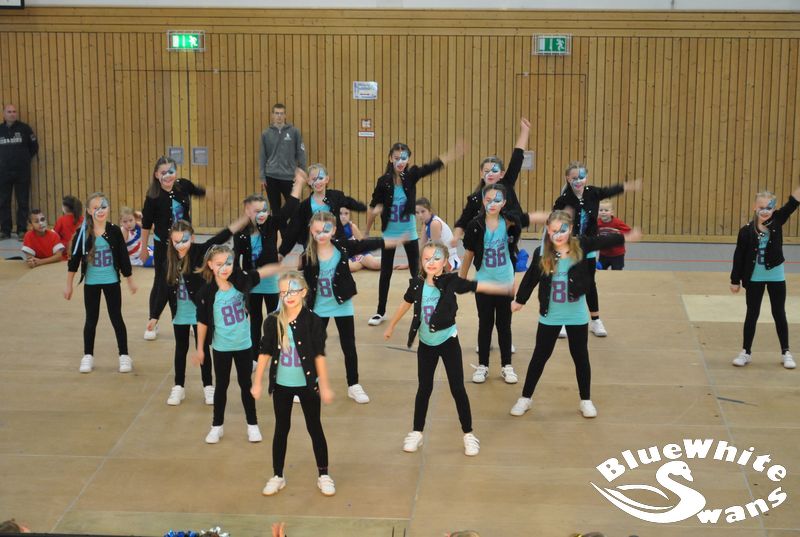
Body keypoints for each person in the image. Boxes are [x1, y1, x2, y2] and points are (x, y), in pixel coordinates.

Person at [384, 241, 512, 456]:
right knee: (424, 389)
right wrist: (392, 325)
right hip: (426, 345)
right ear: (421, 261)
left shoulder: (450, 282)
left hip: (448, 342)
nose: (431, 262)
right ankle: (416, 432)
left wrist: (502, 288)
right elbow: (405, 303)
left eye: (436, 258)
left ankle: (468, 434)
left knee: (457, 388)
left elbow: (474, 285)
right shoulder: (417, 284)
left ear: (445, 262)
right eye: (426, 258)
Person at [510, 210, 641, 419]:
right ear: (548, 230)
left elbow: (603, 240)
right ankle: (526, 398)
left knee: (580, 357)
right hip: (550, 315)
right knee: (539, 357)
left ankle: (585, 400)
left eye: (563, 230)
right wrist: (519, 300)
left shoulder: (581, 245)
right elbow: (531, 278)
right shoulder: (542, 252)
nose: (558, 235)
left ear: (570, 229)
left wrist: (626, 237)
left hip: (576, 315)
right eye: (554, 231)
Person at [302, 211, 403, 403]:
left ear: (333, 230)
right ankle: (311, 383)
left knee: (348, 345)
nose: (321, 234)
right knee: (315, 345)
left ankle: (353, 385)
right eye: (317, 231)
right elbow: (305, 284)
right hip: (319, 307)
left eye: (326, 230)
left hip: (342, 304)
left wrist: (386, 241)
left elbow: (364, 244)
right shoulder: (307, 256)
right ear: (311, 231)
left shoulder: (342, 247)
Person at [252, 272, 336, 497]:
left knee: (314, 427)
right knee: (281, 428)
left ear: (304, 292)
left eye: (293, 291)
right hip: (282, 384)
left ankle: (324, 474)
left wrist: (324, 385)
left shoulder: (313, 321)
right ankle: (277, 475)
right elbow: (264, 352)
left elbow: (319, 355)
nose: (288, 296)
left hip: (307, 385)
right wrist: (257, 381)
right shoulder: (273, 321)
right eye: (283, 292)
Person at [365, 140, 465, 326]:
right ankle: (380, 312)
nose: (400, 161)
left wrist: (452, 154)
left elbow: (431, 166)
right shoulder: (383, 182)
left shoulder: (411, 176)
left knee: (417, 272)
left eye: (404, 158)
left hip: (409, 234)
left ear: (408, 160)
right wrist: (366, 231)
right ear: (390, 159)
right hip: (390, 235)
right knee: (385, 273)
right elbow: (373, 206)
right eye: (397, 158)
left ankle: (422, 308)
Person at [193, 245, 283, 444]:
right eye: (219, 264)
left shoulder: (242, 282)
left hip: (243, 345)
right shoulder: (206, 292)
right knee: (221, 385)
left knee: (245, 384)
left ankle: (252, 424)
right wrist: (200, 348)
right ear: (210, 265)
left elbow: (261, 272)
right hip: (221, 347)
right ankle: (217, 426)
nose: (224, 268)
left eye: (228, 263)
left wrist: (280, 267)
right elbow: (202, 322)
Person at [461, 184, 547, 384]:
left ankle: (506, 365)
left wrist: (548, 217)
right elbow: (469, 254)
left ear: (504, 203)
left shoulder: (509, 222)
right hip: (483, 282)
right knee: (485, 324)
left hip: (505, 283)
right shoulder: (475, 225)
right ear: (483, 201)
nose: (492, 203)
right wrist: (461, 279)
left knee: (504, 325)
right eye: (488, 199)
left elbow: (528, 218)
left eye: (497, 200)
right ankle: (483, 365)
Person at [162, 214, 250, 406]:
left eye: (185, 240)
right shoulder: (169, 260)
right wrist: (154, 315)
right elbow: (162, 289)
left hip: (199, 313)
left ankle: (208, 386)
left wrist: (240, 222)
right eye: (176, 241)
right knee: (181, 348)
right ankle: (178, 386)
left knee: (203, 349)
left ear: (192, 238)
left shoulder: (199, 252)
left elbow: (219, 238)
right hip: (180, 313)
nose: (181, 245)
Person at [552, 162, 641, 337]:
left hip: (590, 245)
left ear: (586, 178)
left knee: (590, 282)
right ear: (568, 178)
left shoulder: (592, 193)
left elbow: (609, 191)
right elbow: (554, 222)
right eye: (574, 178)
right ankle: (562, 319)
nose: (578, 181)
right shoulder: (563, 200)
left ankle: (595, 320)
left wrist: (626, 186)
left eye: (582, 177)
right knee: (566, 281)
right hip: (569, 246)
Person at [233, 173, 303, 366]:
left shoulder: (272, 224)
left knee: (274, 318)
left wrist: (298, 184)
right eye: (257, 211)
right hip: (252, 283)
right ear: (248, 212)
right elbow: (236, 260)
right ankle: (254, 357)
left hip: (271, 282)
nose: (262, 214)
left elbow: (290, 208)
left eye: (264, 209)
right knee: (255, 321)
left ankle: (276, 351)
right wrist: (239, 287)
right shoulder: (241, 233)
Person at [64, 193, 137, 374]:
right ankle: (88, 355)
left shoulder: (114, 231)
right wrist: (69, 284)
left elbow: (123, 258)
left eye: (103, 206)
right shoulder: (83, 233)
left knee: (116, 318)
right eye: (96, 208)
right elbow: (74, 261)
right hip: (92, 283)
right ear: (89, 211)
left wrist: (130, 281)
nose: (100, 211)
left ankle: (124, 355)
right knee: (91, 319)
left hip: (112, 282)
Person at [730, 187, 800, 369]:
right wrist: (735, 280)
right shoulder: (746, 231)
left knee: (779, 313)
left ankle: (786, 352)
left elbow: (792, 204)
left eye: (769, 207)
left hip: (776, 276)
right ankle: (746, 352)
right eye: (761, 207)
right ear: (755, 207)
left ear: (774, 209)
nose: (765, 211)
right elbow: (739, 256)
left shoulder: (777, 221)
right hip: (754, 278)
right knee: (752, 314)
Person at [141, 156, 206, 340]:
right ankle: (153, 320)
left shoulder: (183, 186)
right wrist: (143, 248)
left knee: (189, 278)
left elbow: (198, 191)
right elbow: (146, 225)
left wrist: (212, 194)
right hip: (164, 245)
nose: (168, 175)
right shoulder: (153, 197)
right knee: (162, 281)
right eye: (163, 172)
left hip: (185, 244)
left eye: (171, 171)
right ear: (156, 175)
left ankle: (189, 318)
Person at [451, 118, 533, 246]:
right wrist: (455, 237)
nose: (490, 174)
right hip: (485, 244)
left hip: (507, 242)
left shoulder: (506, 184)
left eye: (494, 171)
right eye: (486, 171)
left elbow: (517, 158)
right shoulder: (475, 198)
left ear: (501, 174)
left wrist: (525, 131)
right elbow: (463, 220)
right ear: (481, 173)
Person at [278, 163, 367, 257]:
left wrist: (364, 208)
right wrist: (282, 252)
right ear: (308, 181)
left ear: (326, 179)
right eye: (314, 179)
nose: (317, 182)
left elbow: (349, 202)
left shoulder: (336, 196)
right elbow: (293, 230)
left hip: (336, 241)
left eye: (320, 178)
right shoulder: (304, 206)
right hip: (314, 244)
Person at [259, 103, 307, 218]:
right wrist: (262, 177)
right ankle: (279, 230)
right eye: (277, 113)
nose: (279, 116)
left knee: (295, 209)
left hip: (289, 177)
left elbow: (301, 153)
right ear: (272, 115)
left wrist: (302, 173)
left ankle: (293, 230)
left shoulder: (294, 132)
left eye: (281, 113)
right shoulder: (266, 134)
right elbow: (262, 156)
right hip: (271, 177)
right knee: (275, 210)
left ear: (285, 115)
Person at [0, 104, 38, 241]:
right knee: (3, 202)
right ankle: (5, 231)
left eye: (14, 111)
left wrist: (24, 160)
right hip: (3, 173)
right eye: (9, 112)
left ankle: (22, 230)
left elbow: (34, 147)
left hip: (22, 172)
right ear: (4, 114)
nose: (12, 114)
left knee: (23, 201)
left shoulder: (25, 129)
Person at [415, 197, 461, 270]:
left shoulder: (435, 223)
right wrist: (413, 264)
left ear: (430, 211)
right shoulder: (425, 224)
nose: (420, 215)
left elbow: (437, 248)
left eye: (423, 211)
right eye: (417, 213)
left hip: (449, 260)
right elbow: (422, 246)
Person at [339, 206, 381, 272]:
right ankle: (362, 264)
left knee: (376, 265)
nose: (343, 216)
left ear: (350, 215)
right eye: (340, 213)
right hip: (345, 255)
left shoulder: (352, 227)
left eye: (346, 213)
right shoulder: (333, 228)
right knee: (349, 267)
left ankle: (389, 264)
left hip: (357, 253)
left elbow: (362, 243)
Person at [597, 199, 631, 270]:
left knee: (617, 272)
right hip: (603, 254)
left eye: (606, 210)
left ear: (612, 212)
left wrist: (618, 233)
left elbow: (629, 231)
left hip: (617, 254)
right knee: (601, 271)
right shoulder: (597, 223)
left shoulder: (617, 222)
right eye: (601, 210)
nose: (603, 212)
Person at [54, 195, 83, 259]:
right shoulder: (83, 219)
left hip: (65, 251)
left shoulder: (61, 220)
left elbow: (54, 236)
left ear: (65, 207)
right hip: (81, 249)